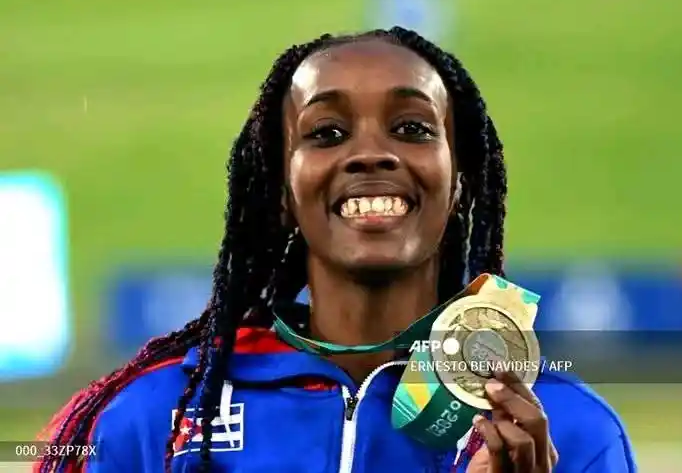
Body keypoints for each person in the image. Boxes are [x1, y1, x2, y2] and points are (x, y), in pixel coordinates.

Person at [34, 27, 637, 473]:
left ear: (459, 183)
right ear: (281, 190)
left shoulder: (568, 433)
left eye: (412, 128)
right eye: (326, 133)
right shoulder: (150, 418)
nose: (371, 154)